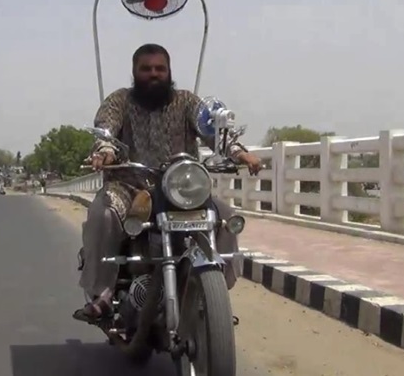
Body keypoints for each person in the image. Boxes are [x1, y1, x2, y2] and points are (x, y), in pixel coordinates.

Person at [73, 43, 262, 322]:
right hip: (129, 187)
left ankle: (216, 294)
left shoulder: (187, 102)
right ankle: (102, 294)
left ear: (169, 71)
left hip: (179, 189)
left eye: (160, 69)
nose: (154, 74)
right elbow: (106, 129)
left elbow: (211, 130)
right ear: (135, 72)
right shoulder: (120, 101)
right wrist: (105, 151)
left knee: (224, 216)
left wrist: (238, 153)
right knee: (104, 213)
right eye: (146, 69)